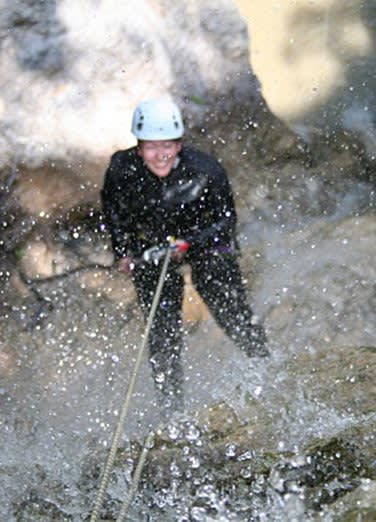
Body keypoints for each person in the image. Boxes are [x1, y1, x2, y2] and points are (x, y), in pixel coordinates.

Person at [101, 97, 269, 412]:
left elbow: (225, 222)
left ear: (179, 145)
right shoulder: (121, 170)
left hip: (203, 242)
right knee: (162, 325)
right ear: (138, 148)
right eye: (151, 147)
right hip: (151, 248)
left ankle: (265, 366)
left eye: (167, 145)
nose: (160, 155)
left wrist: (188, 244)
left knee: (226, 303)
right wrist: (124, 253)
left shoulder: (206, 171)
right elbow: (115, 214)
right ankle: (172, 410)